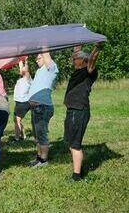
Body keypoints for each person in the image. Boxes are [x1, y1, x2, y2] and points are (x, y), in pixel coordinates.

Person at [64, 43, 103, 183]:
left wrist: (97, 48)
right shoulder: (79, 70)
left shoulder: (89, 70)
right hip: (72, 110)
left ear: (83, 60)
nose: (73, 60)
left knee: (75, 144)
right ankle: (79, 168)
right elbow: (76, 51)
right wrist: (77, 42)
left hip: (79, 110)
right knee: (69, 141)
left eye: (76, 58)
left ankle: (76, 175)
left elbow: (92, 59)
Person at [27, 51, 58, 168]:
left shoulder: (51, 69)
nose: (36, 60)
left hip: (43, 107)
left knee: (41, 134)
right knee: (36, 135)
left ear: (46, 58)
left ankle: (44, 161)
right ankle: (39, 157)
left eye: (39, 58)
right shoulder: (40, 71)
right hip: (36, 108)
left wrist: (43, 43)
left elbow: (46, 53)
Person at [13, 58, 31, 141]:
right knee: (16, 120)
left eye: (24, 68)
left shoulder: (28, 78)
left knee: (17, 120)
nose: (22, 69)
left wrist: (26, 61)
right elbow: (21, 68)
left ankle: (17, 138)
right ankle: (23, 136)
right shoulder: (21, 78)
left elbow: (26, 70)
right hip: (19, 102)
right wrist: (20, 59)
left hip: (23, 102)